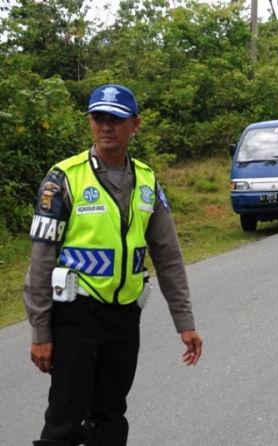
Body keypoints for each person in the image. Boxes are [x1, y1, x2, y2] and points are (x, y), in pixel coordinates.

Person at [24, 84, 203, 446]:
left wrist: (185, 323)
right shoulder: (63, 178)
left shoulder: (148, 181)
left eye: (115, 119)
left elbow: (168, 257)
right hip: (76, 315)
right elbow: (40, 262)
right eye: (98, 118)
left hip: (124, 318)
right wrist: (40, 333)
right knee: (64, 420)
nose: (105, 126)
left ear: (134, 125)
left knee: (110, 417)